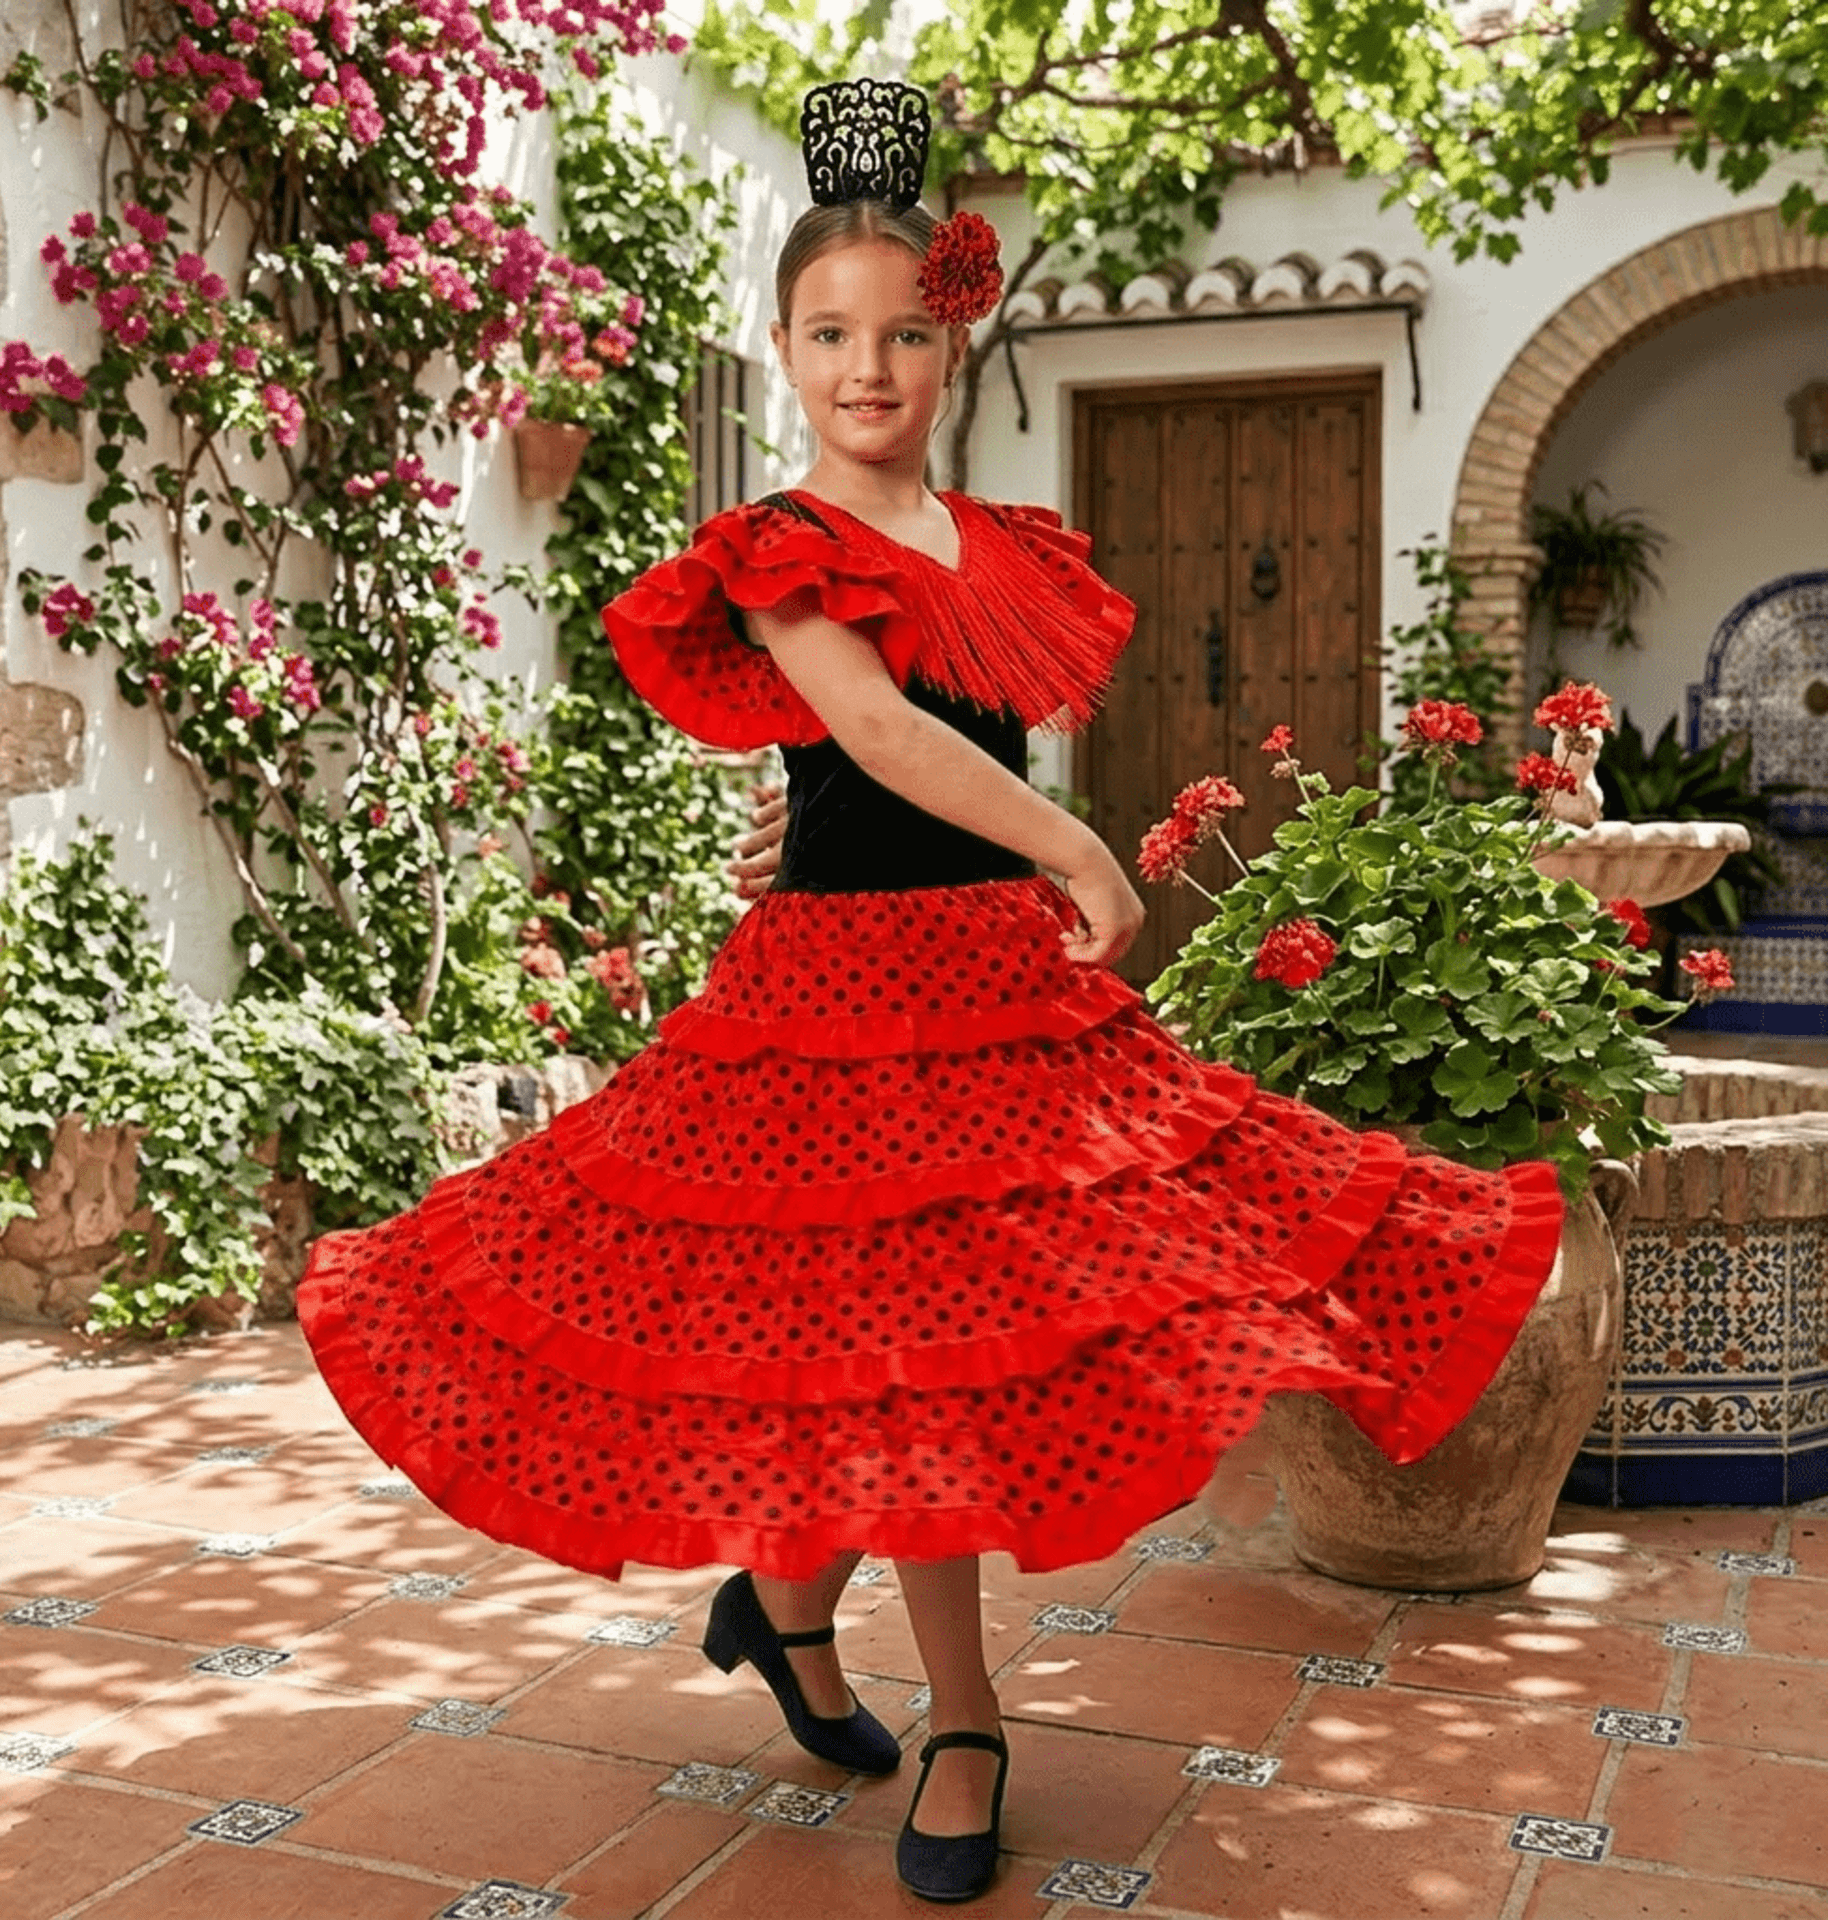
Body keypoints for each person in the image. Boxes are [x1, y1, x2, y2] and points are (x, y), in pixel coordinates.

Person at [296, 77, 1565, 1905]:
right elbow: (876, 729)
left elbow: (896, 752)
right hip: (831, 1006)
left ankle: (787, 1606)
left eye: (901, 332)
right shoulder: (778, 544)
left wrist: (870, 831)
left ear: (951, 343)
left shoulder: (1011, 547)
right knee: (893, 1363)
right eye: (826, 334)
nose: (864, 367)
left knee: (1001, 1318)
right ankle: (962, 1715)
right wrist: (1085, 851)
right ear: (787, 350)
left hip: (995, 1000)